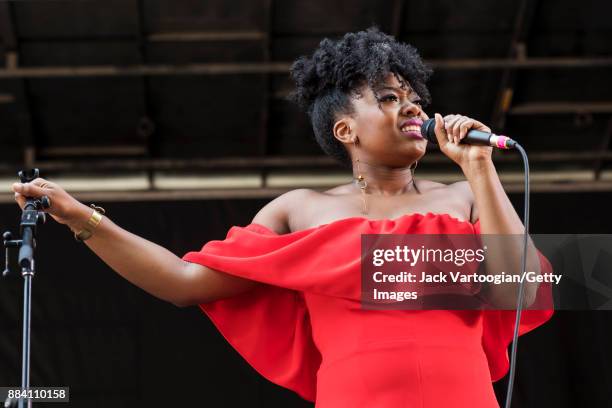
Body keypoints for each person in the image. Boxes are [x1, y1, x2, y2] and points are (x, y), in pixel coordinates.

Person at [11, 28, 552, 407]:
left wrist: (480, 167)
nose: (412, 107)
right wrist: (79, 217)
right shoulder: (302, 208)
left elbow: (519, 291)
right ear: (346, 132)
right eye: (388, 98)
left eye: (414, 97)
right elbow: (183, 282)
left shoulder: (464, 196)